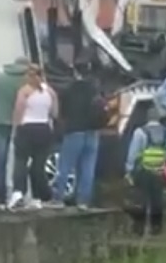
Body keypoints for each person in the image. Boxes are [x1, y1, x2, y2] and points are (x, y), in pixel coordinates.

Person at [124, 106, 166, 236]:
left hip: (143, 171)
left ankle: (139, 228)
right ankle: (156, 228)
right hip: (159, 170)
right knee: (157, 199)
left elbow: (133, 153)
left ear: (147, 118)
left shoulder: (140, 132)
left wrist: (129, 170)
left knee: (141, 198)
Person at [51, 60, 104, 209]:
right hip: (93, 133)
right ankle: (83, 201)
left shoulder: (69, 90)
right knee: (88, 168)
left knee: (65, 166)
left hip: (74, 131)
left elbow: (62, 112)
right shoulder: (96, 90)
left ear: (76, 72)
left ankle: (58, 199)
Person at [8, 64, 58, 210]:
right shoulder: (50, 91)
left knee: (21, 161)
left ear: (29, 76)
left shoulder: (25, 91)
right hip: (44, 128)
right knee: (38, 165)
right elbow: (54, 113)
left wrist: (15, 128)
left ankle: (19, 192)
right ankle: (38, 196)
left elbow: (19, 111)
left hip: (27, 128)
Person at [0, 56, 29, 208]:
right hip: (21, 124)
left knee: (0, 161)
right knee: (19, 160)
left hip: (0, 122)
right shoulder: (27, 82)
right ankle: (19, 193)